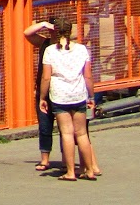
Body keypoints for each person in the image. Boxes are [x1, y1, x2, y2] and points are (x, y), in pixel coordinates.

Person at [40, 19, 100, 181]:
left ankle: (70, 171)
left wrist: (42, 97)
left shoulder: (50, 51)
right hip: (79, 94)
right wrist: (91, 95)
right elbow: (88, 76)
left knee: (66, 133)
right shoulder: (81, 49)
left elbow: (46, 77)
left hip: (60, 95)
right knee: (81, 134)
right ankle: (89, 170)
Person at [24, 17, 59, 171]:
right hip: (43, 91)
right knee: (44, 126)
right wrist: (44, 24)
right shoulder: (44, 43)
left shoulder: (66, 46)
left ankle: (66, 159)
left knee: (66, 128)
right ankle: (45, 159)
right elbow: (27, 33)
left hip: (60, 91)